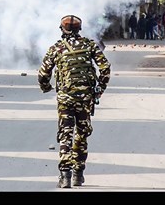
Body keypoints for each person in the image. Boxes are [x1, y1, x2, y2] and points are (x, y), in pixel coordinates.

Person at [38, 15, 111, 188]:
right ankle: (78, 173)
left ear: (62, 29)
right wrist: (100, 89)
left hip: (65, 98)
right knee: (82, 133)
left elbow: (43, 74)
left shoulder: (56, 48)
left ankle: (65, 176)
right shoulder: (90, 45)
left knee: (66, 134)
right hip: (85, 99)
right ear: (79, 29)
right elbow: (105, 68)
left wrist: (46, 87)